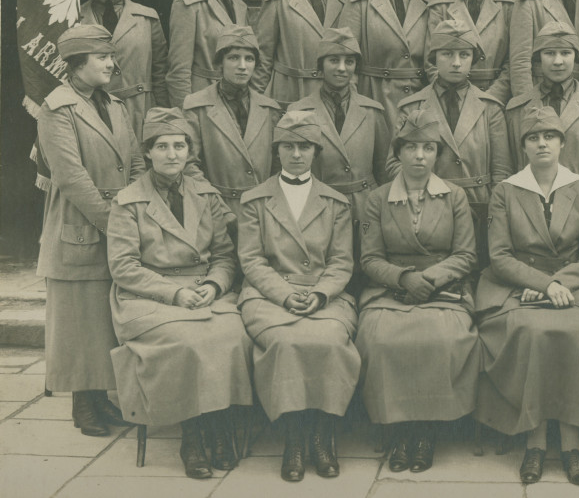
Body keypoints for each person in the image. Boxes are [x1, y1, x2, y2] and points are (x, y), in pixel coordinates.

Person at [106, 108, 254, 479]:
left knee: (234, 334)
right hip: (148, 297)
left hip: (205, 290)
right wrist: (174, 294)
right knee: (188, 342)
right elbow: (123, 268)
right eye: (162, 146)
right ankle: (194, 436)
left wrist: (214, 285)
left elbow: (224, 256)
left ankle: (220, 425)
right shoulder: (128, 201)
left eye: (179, 145)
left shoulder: (205, 195)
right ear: (147, 152)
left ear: (189, 151)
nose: (172, 154)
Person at [476, 106, 579, 486]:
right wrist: (542, 284)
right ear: (523, 146)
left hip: (573, 284)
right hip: (516, 285)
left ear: (563, 143)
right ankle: (534, 440)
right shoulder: (506, 190)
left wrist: (558, 283)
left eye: (550, 136)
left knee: (573, 331)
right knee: (531, 331)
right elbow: (500, 255)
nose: (542, 144)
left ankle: (571, 441)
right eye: (533, 138)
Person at [238, 111, 361, 481]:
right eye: (288, 146)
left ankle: (322, 437)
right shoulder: (255, 199)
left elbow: (341, 261)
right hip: (269, 294)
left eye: (304, 147)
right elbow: (251, 259)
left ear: (315, 152)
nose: (296, 154)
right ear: (276, 151)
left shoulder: (336, 202)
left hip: (326, 294)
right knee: (286, 342)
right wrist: (284, 294)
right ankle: (292, 439)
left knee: (330, 340)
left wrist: (321, 294)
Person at [355, 110, 480, 474]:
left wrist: (429, 279)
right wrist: (403, 277)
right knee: (380, 339)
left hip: (444, 289)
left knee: (443, 337)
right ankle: (398, 430)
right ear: (398, 152)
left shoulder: (455, 196)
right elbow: (370, 259)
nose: (420, 156)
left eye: (428, 148)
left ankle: (426, 431)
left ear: (438, 154)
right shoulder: (377, 199)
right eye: (411, 147)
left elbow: (466, 255)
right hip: (390, 289)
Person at [35, 25, 145, 437]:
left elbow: (135, 160)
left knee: (102, 319)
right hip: (79, 224)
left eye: (111, 56)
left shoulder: (114, 104)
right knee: (78, 319)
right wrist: (113, 221)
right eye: (102, 57)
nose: (111, 64)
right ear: (77, 63)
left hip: (117, 219)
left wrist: (137, 209)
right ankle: (83, 404)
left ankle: (100, 398)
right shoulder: (57, 108)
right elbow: (71, 177)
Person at [389, 19, 512, 265]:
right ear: (434, 58)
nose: (456, 62)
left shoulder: (490, 108)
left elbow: (502, 173)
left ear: (473, 59)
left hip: (479, 207)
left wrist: (496, 218)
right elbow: (393, 165)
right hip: (426, 208)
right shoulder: (412, 106)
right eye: (447, 54)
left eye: (464, 55)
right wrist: (421, 196)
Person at [287, 27, 391, 229]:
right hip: (317, 207)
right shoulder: (299, 112)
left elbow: (384, 170)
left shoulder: (372, 111)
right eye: (334, 60)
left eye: (349, 62)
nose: (342, 68)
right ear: (321, 65)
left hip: (365, 209)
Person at [335, 0, 431, 130]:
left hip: (418, 103)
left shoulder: (429, 5)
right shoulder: (360, 1)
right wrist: (352, 105)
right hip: (373, 99)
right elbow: (344, 57)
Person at [506, 22, 579, 195]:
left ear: (576, 57)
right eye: (549, 53)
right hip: (531, 201)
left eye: (565, 53)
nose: (558, 61)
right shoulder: (518, 108)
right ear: (538, 57)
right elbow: (510, 170)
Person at [183, 26, 282, 218]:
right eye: (234, 58)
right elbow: (189, 164)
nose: (242, 66)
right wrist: (218, 209)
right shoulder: (197, 106)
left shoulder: (270, 109)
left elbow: (278, 166)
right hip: (216, 210)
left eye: (249, 59)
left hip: (263, 211)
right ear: (220, 62)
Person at [79, 0, 169, 137]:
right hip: (92, 114)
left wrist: (162, 121)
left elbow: (160, 75)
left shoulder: (147, 18)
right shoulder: (76, 18)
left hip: (140, 114)